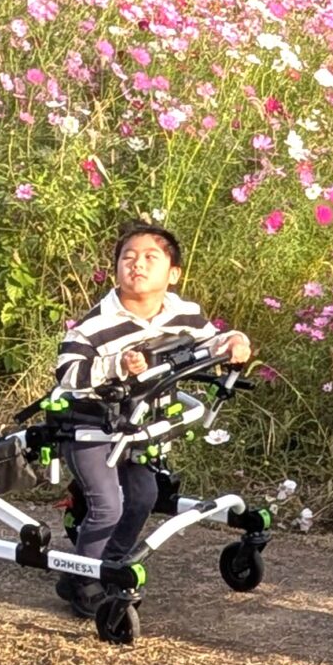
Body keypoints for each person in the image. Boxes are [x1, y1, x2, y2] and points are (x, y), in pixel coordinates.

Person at [49, 221, 252, 615]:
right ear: (116, 270)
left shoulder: (184, 314)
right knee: (107, 504)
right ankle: (81, 576)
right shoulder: (96, 324)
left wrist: (234, 341)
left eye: (149, 258)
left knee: (144, 495)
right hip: (90, 425)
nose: (137, 265)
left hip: (140, 427)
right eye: (128, 257)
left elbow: (211, 340)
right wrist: (116, 365)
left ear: (173, 273)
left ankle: (115, 562)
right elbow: (68, 375)